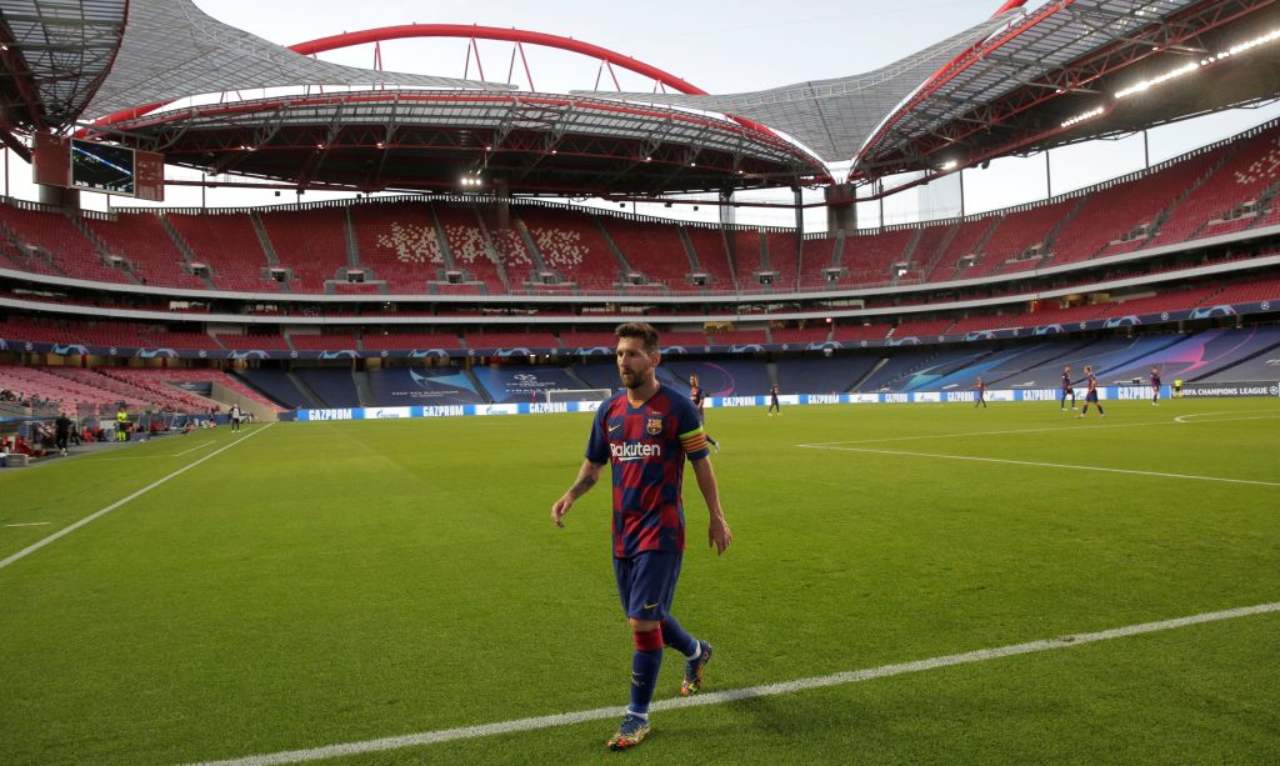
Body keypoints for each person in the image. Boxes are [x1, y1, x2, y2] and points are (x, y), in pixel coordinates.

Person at [550, 322, 733, 752]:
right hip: (622, 533)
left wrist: (716, 517)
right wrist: (570, 495)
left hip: (662, 530)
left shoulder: (676, 409)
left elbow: (701, 464)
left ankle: (637, 716)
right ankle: (696, 651)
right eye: (618, 353)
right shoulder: (609, 411)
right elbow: (594, 466)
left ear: (654, 358)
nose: (623, 361)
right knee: (646, 614)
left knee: (641, 622)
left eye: (632, 353)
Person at [687, 374, 721, 452]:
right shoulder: (691, 390)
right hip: (693, 414)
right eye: (690, 379)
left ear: (696, 380)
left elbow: (702, 402)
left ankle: (710, 445)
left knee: (699, 432)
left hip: (699, 414)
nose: (691, 381)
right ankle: (714, 444)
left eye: (692, 379)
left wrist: (696, 409)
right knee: (697, 433)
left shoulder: (700, 390)